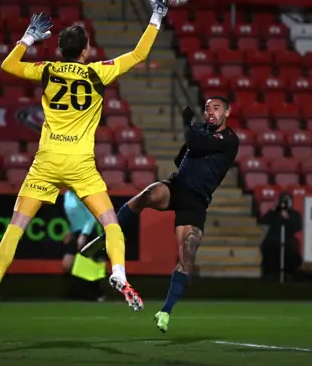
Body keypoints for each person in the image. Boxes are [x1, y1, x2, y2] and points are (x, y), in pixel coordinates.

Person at [0, 0, 170, 325]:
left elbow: (8, 65)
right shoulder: (97, 71)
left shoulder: (47, 69)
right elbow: (138, 55)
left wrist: (28, 38)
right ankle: (119, 273)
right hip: (80, 164)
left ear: (61, 49)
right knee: (111, 224)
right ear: (86, 50)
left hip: (46, 162)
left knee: (16, 227)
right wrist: (156, 16)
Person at [80, 97, 240, 333]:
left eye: (216, 108)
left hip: (196, 202)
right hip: (177, 187)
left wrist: (187, 122)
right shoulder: (199, 131)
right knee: (149, 193)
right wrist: (192, 143)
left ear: (227, 112)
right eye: (207, 108)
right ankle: (107, 238)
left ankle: (165, 311)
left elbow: (196, 146)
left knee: (187, 254)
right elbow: (182, 156)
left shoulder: (230, 140)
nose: (210, 112)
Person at [62, 189, 106, 301]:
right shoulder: (67, 195)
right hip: (75, 232)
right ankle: (77, 291)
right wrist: (70, 230)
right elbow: (73, 217)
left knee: (89, 265)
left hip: (88, 232)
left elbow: (92, 217)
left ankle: (98, 293)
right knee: (67, 264)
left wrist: (84, 234)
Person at [258, 192, 303, 281]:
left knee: (291, 253)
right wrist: (274, 211)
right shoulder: (273, 213)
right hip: (272, 240)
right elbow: (262, 221)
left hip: (287, 242)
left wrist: (288, 218)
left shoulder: (295, 214)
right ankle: (270, 274)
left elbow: (298, 227)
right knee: (268, 249)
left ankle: (288, 273)